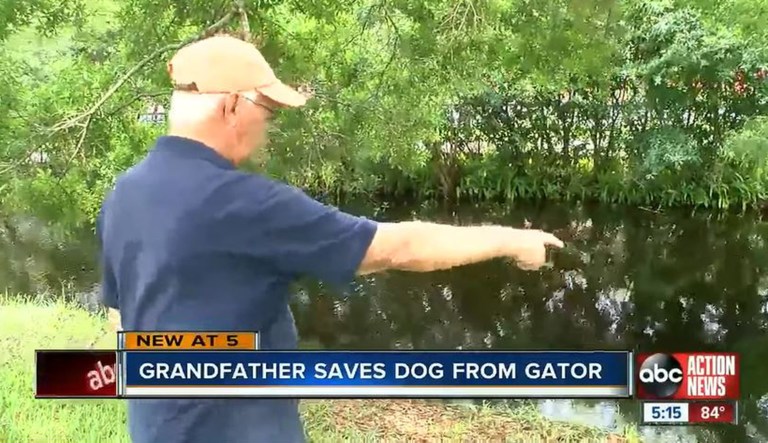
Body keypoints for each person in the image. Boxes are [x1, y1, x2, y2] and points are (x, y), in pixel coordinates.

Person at [97, 34, 564, 443]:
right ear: (231, 106)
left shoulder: (125, 192)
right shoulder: (245, 203)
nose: (269, 129)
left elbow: (124, 319)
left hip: (156, 426)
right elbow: (396, 247)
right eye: (269, 111)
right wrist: (511, 240)